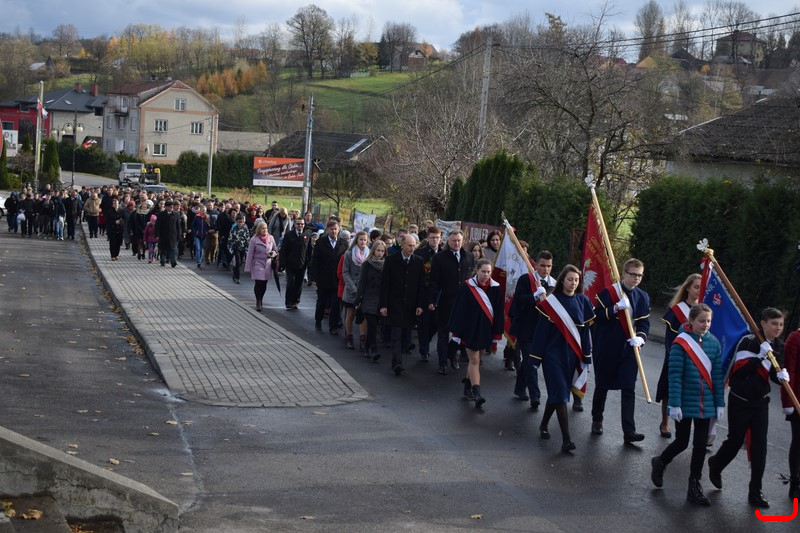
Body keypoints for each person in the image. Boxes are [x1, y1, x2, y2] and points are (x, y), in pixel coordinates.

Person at [707, 307, 790, 508]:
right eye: (774, 324)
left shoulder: (779, 345)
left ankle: (755, 491)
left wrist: (781, 377)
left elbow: (772, 374)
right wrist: (760, 357)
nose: (778, 328)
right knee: (735, 441)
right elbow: (740, 372)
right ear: (763, 323)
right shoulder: (749, 341)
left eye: (781, 324)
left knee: (760, 446)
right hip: (740, 399)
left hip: (760, 402)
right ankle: (716, 464)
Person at [650, 304, 725, 505]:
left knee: (700, 446)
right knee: (682, 442)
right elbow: (674, 375)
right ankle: (660, 462)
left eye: (708, 321)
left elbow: (717, 376)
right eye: (701, 321)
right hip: (684, 401)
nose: (705, 324)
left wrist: (719, 403)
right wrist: (674, 403)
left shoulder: (714, 343)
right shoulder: (681, 342)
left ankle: (694, 486)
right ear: (691, 321)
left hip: (706, 403)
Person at [530, 265, 594, 451]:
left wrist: (586, 356)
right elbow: (541, 333)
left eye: (576, 280)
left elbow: (586, 333)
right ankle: (566, 440)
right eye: (570, 279)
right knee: (560, 393)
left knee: (559, 394)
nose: (573, 283)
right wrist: (535, 358)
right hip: (553, 355)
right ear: (562, 281)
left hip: (572, 355)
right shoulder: (551, 302)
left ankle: (543, 424)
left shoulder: (583, 301)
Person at [590, 258, 650, 443]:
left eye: (640, 275)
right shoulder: (609, 293)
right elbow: (596, 317)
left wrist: (641, 338)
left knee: (628, 387)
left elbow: (644, 323)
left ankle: (629, 431)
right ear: (624, 273)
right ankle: (597, 419)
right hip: (608, 346)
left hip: (629, 349)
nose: (636, 278)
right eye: (633, 274)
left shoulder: (643, 296)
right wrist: (615, 308)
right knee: (602, 385)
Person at [449, 258, 503, 407]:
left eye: (488, 272)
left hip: (485, 330)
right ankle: (477, 393)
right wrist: (457, 333)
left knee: (477, 359)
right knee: (474, 361)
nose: (486, 275)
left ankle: (467, 386)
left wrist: (497, 333)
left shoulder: (495, 288)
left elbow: (498, 312)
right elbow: (459, 309)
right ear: (477, 271)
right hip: (469, 329)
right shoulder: (467, 287)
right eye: (483, 271)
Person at [657, 273, 701, 439]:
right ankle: (665, 423)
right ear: (688, 287)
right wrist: (677, 357)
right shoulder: (677, 311)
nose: (698, 290)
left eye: (701, 287)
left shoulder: (704, 311)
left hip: (696, 359)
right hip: (676, 356)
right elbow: (670, 339)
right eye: (696, 286)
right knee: (669, 390)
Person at [510, 250, 556, 410]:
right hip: (525, 328)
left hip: (543, 330)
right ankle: (535, 395)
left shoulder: (554, 284)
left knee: (528, 361)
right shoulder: (526, 279)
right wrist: (535, 295)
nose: (545, 269)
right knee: (531, 360)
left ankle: (519, 387)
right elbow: (518, 300)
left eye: (549, 266)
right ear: (536, 265)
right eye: (542, 265)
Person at [428, 230, 476, 375]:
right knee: (443, 333)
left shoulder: (469, 257)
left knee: (460, 334)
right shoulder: (439, 258)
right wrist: (431, 300)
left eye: (459, 240)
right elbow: (434, 281)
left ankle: (451, 354)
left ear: (463, 241)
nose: (456, 243)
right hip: (445, 302)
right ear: (448, 241)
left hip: (464, 303)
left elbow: (472, 279)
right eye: (453, 241)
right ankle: (442, 363)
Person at [379, 234, 426, 375]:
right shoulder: (391, 260)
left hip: (410, 305)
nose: (412, 248)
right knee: (396, 334)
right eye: (409, 245)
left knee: (406, 333)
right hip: (394, 304)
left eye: (414, 245)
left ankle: (400, 358)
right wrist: (383, 305)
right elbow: (385, 284)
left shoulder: (418, 261)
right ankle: (397, 362)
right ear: (402, 245)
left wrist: (420, 305)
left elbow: (421, 285)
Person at [309, 221, 348, 334]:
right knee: (322, 301)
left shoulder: (343, 243)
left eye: (335, 229)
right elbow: (315, 260)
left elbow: (345, 261)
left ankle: (333, 326)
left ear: (339, 229)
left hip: (337, 279)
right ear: (327, 230)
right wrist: (313, 277)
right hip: (323, 278)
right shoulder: (321, 242)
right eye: (331, 229)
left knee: (335, 304)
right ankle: (318, 320)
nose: (333, 231)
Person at [415, 227, 443, 362]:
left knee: (436, 323)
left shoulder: (444, 254)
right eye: (432, 237)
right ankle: (424, 350)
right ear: (427, 238)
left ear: (441, 239)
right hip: (423, 293)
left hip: (438, 294)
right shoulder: (420, 253)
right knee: (423, 323)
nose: (434, 240)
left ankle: (426, 340)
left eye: (437, 238)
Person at [356, 240, 387, 360]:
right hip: (368, 298)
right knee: (372, 324)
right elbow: (362, 282)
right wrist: (358, 299)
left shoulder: (387, 265)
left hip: (381, 300)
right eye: (378, 250)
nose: (380, 253)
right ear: (373, 251)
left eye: (382, 251)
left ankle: (367, 347)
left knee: (374, 326)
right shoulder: (367, 264)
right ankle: (374, 349)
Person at [342, 231, 369, 350]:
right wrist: (353, 288)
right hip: (351, 288)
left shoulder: (369, 254)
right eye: (361, 239)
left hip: (363, 289)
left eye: (365, 240)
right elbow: (345, 272)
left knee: (363, 315)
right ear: (356, 240)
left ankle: (363, 340)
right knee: (350, 313)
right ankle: (349, 337)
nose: (363, 242)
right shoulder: (348, 254)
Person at [782, 323, 800, 500]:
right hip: (798, 399)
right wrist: (789, 401)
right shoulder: (795, 338)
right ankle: (795, 482)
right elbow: (790, 371)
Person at [245, 221, 278, 312]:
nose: (265, 230)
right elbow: (250, 254)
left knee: (264, 284)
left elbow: (275, 250)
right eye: (263, 228)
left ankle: (261, 298)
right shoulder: (254, 240)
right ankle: (258, 301)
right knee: (258, 282)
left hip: (267, 264)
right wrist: (248, 267)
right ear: (259, 229)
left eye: (266, 228)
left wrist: (273, 253)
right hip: (257, 263)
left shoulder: (271, 238)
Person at [280, 217, 312, 309]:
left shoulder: (307, 235)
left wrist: (309, 263)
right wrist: (283, 263)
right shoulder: (289, 235)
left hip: (302, 264)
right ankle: (288, 302)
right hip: (290, 264)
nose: (300, 225)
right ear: (294, 224)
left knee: (299, 284)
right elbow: (283, 250)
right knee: (291, 283)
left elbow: (309, 250)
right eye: (298, 224)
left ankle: (295, 301)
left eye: (302, 224)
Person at [154, 200, 183, 267]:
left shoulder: (176, 214)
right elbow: (157, 225)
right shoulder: (161, 214)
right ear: (166, 207)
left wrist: (179, 234)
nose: (171, 208)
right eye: (170, 207)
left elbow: (178, 226)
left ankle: (173, 261)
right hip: (163, 235)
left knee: (173, 249)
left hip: (173, 235)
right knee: (163, 249)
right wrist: (157, 235)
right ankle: (162, 261)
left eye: (172, 207)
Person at [228, 213, 250, 284]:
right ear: (236, 222)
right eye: (239, 222)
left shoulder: (245, 229)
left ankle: (235, 272)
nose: (240, 223)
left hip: (242, 247)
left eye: (242, 222)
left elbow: (247, 239)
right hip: (236, 247)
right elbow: (230, 239)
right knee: (238, 261)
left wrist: (247, 248)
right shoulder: (233, 229)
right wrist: (230, 248)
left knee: (240, 263)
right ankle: (237, 277)